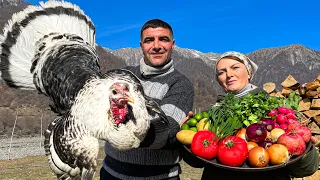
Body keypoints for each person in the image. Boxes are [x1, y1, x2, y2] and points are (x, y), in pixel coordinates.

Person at [182, 51, 319, 180]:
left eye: (235, 67)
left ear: (249, 73)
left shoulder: (275, 109)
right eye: (221, 72)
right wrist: (185, 138)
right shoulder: (210, 113)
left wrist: (304, 149)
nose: (229, 74)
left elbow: (306, 169)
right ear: (219, 80)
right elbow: (197, 162)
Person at [100, 19, 194, 179]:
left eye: (163, 39)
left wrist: (115, 117)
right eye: (149, 40)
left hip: (159, 177)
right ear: (141, 45)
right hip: (110, 173)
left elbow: (165, 134)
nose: (156, 46)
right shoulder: (123, 75)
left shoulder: (181, 84)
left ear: (173, 44)